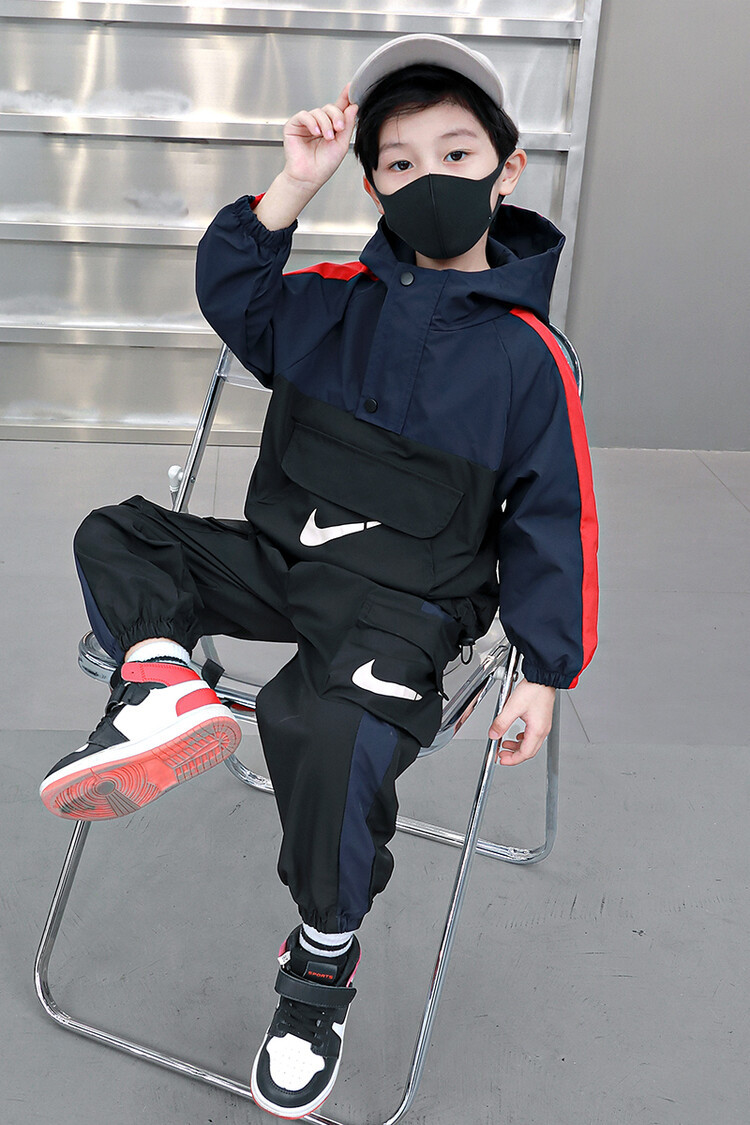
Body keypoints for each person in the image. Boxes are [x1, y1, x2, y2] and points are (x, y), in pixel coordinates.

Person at [39, 34, 598, 1119]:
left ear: (509, 168)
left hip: (407, 603)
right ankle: (160, 682)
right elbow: (234, 294)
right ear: (371, 185)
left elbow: (553, 518)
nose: (429, 179)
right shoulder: (331, 299)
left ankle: (320, 967)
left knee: (326, 727)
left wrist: (542, 669)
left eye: (456, 154)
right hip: (280, 556)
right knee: (122, 533)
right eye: (399, 163)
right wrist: (294, 183)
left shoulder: (530, 358)